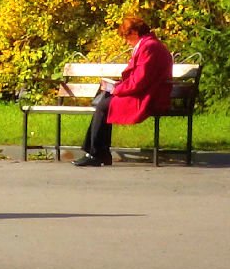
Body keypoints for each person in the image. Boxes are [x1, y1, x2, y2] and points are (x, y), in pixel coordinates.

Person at [74, 13, 175, 167]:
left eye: (127, 38)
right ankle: (98, 153)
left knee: (103, 105)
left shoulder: (149, 47)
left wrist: (116, 89)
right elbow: (139, 78)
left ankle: (96, 153)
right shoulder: (148, 44)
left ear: (134, 33)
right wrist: (115, 87)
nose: (126, 43)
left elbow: (140, 80)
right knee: (104, 102)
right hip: (146, 92)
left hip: (149, 96)